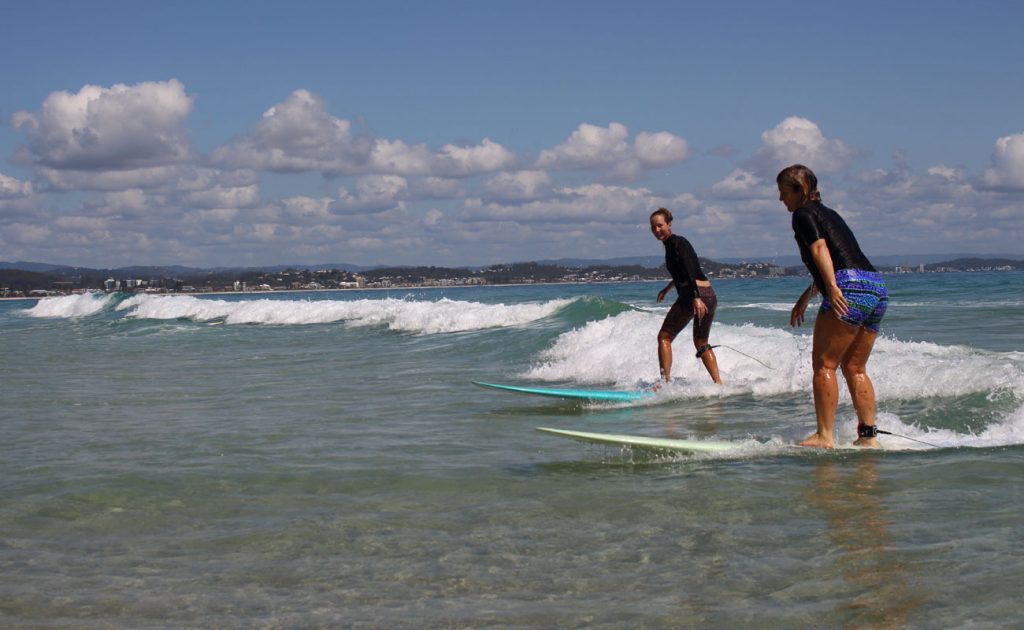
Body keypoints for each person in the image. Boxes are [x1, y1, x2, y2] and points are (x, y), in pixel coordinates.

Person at [776, 164, 888, 448]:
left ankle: (824, 436)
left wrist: (834, 288)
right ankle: (868, 438)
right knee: (855, 367)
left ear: (800, 191)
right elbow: (842, 259)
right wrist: (807, 296)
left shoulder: (802, 213)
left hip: (847, 287)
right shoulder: (830, 213)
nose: (781, 199)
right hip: (875, 286)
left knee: (824, 365)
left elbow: (820, 249)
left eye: (783, 192)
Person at [650, 208, 722, 384]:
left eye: (660, 225)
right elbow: (683, 271)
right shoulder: (672, 245)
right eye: (653, 227)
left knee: (664, 337)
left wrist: (696, 297)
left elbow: (690, 268)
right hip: (709, 295)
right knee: (701, 341)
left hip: (694, 295)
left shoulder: (676, 242)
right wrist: (668, 288)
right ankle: (719, 385)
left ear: (669, 224)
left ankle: (664, 383)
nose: (656, 230)